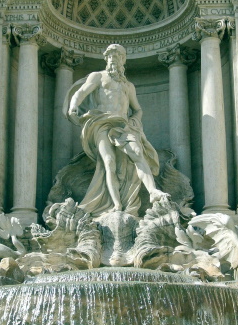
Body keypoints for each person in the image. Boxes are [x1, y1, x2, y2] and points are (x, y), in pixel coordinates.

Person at [66, 44, 167, 217]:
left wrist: (134, 122)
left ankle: (153, 192)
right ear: (106, 59)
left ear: (123, 61)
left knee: (137, 153)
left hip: (123, 125)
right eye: (111, 56)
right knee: (109, 161)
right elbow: (81, 91)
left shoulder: (128, 86)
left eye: (118, 56)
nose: (114, 59)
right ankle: (117, 205)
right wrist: (73, 106)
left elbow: (138, 109)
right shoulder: (98, 77)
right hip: (101, 123)